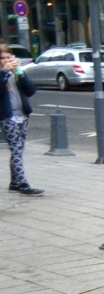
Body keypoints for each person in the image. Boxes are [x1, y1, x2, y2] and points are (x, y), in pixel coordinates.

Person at [1, 45, 41, 196]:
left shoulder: (15, 73)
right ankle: (23, 184)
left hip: (22, 114)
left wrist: (20, 73)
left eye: (8, 57)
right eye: (2, 58)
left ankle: (14, 182)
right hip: (7, 116)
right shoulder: (2, 74)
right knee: (16, 149)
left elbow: (31, 91)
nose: (6, 60)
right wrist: (4, 73)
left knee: (19, 149)